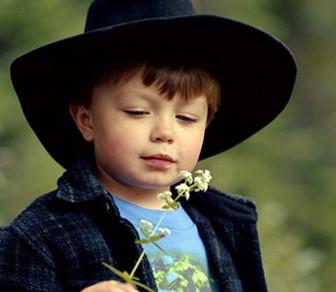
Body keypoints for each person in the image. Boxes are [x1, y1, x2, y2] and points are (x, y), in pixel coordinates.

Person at [0, 0, 296, 291]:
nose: (165, 133)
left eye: (186, 117)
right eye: (137, 112)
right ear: (86, 120)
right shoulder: (41, 236)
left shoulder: (225, 227)